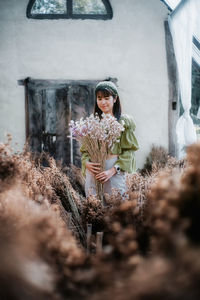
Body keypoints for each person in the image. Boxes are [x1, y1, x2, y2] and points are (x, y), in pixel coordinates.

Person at [80, 81, 139, 198]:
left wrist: (112, 171)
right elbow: (85, 151)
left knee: (115, 206)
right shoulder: (93, 122)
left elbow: (129, 151)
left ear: (115, 99)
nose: (103, 102)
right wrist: (86, 163)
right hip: (94, 171)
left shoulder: (123, 121)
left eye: (107, 98)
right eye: (99, 98)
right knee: (95, 206)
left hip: (114, 170)